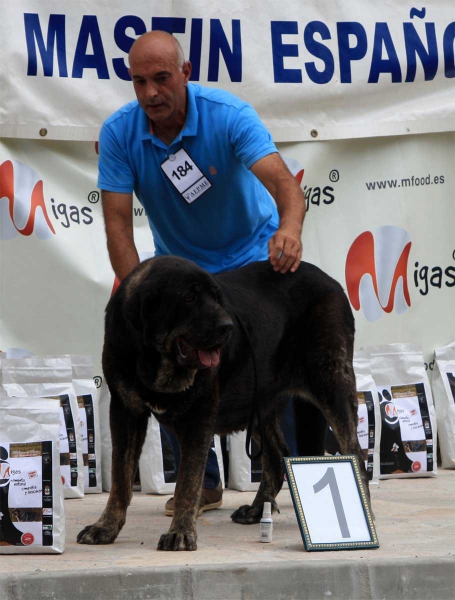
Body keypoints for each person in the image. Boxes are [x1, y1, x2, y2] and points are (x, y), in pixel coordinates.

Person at [98, 30, 306, 516]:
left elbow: (284, 186)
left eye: (162, 78)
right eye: (139, 81)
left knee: (276, 370)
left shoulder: (229, 115)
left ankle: (299, 477)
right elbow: (116, 222)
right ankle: (203, 486)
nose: (151, 93)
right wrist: (137, 297)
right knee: (170, 366)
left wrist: (290, 229)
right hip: (184, 275)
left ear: (186, 73)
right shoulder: (118, 133)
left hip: (250, 263)